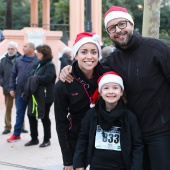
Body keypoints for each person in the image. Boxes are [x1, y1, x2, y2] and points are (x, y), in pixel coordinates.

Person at [60, 5, 170, 170]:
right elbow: (90, 70)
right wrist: (69, 69)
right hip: (128, 133)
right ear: (108, 33)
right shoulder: (111, 61)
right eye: (111, 28)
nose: (118, 30)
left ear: (131, 24)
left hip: (160, 132)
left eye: (122, 24)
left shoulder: (158, 49)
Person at [54, 32, 106, 170]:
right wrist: (68, 160)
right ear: (76, 55)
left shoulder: (106, 76)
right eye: (84, 52)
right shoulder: (64, 84)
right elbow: (61, 123)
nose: (89, 56)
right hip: (76, 140)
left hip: (103, 138)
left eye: (94, 52)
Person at [73, 71, 143, 170]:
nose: (110, 92)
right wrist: (79, 164)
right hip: (95, 165)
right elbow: (83, 138)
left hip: (121, 166)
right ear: (100, 92)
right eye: (106, 88)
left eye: (115, 88)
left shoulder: (129, 117)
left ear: (121, 91)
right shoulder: (91, 114)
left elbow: (137, 146)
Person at [24, 44, 56, 147]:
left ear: (44, 54)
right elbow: (30, 75)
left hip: (45, 96)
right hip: (35, 95)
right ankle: (34, 139)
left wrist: (34, 78)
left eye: (39, 52)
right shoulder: (38, 64)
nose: (37, 54)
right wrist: (33, 78)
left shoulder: (50, 65)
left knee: (44, 117)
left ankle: (47, 139)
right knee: (31, 115)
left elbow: (47, 78)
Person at [7, 42, 38, 142]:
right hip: (20, 92)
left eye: (25, 46)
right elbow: (13, 75)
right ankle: (16, 134)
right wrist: (11, 88)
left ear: (32, 48)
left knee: (33, 115)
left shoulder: (38, 60)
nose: (22, 48)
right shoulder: (18, 60)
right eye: (23, 46)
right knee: (19, 114)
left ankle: (34, 137)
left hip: (33, 93)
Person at [0, 41, 28, 134]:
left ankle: (21, 126)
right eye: (9, 49)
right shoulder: (3, 61)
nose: (10, 50)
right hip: (7, 88)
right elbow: (0, 75)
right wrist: (3, 84)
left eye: (12, 49)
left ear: (16, 49)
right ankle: (7, 127)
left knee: (20, 108)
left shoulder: (22, 59)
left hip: (20, 89)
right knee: (8, 108)